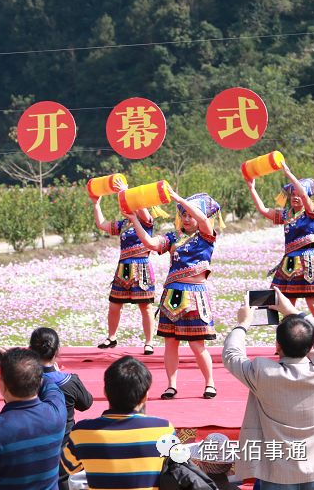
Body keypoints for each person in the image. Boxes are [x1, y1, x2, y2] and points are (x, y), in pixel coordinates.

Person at [223, 288, 314, 488]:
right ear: (311, 346)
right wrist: (293, 311)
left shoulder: (263, 373)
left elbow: (231, 355)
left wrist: (243, 324)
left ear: (277, 346)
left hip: (277, 474)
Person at [126, 191, 220, 400]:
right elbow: (150, 244)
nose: (186, 218)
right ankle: (171, 385)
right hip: (173, 295)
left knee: (197, 344)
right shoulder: (173, 237)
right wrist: (134, 220)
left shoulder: (206, 235)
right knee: (170, 342)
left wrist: (179, 199)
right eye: (183, 214)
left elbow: (203, 219)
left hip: (195, 295)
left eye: (190, 214)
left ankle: (210, 383)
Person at [62, 356, 176, 490]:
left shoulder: (82, 433)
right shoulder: (164, 430)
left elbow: (69, 466)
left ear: (105, 392)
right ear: (145, 396)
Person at [0, 348, 66, 490]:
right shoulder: (56, 413)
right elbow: (51, 386)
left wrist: (16, 365)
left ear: (2, 386)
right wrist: (28, 366)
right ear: (37, 381)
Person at [246, 165, 314, 322]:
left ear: (307, 197)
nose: (296, 197)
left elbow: (303, 194)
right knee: (286, 304)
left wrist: (288, 173)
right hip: (288, 262)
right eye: (293, 194)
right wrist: (251, 188)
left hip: (306, 260)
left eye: (300, 195)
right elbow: (263, 210)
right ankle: (286, 343)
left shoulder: (310, 212)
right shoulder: (286, 214)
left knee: (312, 303)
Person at [90, 188, 157, 353]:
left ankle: (149, 342)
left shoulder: (146, 221)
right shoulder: (123, 224)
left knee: (145, 307)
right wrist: (96, 204)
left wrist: (127, 192)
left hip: (141, 269)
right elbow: (102, 224)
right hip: (123, 269)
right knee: (114, 305)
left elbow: (141, 208)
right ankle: (111, 337)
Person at [29, 328, 93, 490]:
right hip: (64, 449)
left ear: (30, 350)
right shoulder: (68, 381)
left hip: (31, 446)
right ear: (57, 351)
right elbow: (86, 403)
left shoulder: (25, 382)